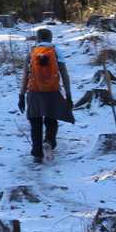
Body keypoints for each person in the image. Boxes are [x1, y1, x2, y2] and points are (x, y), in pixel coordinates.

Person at [16, 27, 74, 163]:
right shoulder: (56, 52)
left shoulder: (32, 53)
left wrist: (21, 95)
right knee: (51, 120)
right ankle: (49, 142)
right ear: (51, 38)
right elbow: (64, 75)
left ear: (37, 39)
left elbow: (25, 76)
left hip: (34, 92)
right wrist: (68, 95)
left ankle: (37, 154)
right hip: (52, 91)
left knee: (35, 123)